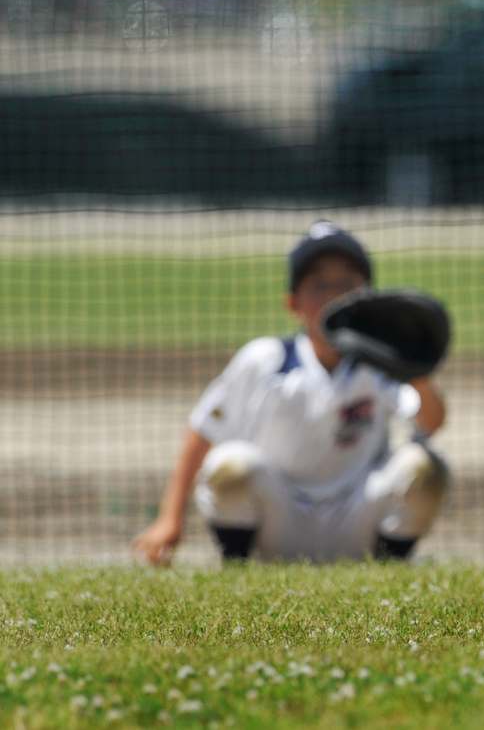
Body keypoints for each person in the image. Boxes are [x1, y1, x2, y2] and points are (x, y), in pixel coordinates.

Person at [132, 221, 449, 565]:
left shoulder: (378, 366)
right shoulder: (265, 359)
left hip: (355, 520)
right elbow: (202, 431)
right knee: (230, 464)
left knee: (424, 467)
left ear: (367, 296)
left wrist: (415, 372)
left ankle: (390, 569)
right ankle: (239, 569)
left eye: (346, 284)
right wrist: (170, 518)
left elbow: (432, 421)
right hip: (280, 522)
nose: (333, 295)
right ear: (292, 302)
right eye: (319, 285)